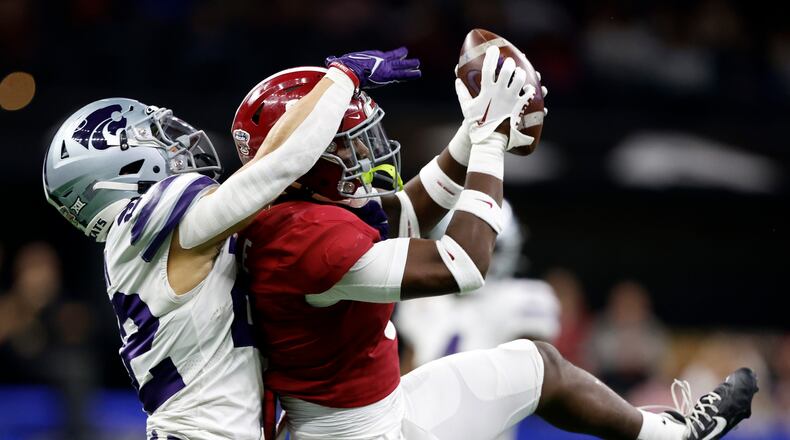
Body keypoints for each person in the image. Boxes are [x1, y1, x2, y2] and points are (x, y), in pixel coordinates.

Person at [235, 46, 757, 440]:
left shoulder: (294, 218)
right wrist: (489, 138)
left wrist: (469, 127)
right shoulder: (307, 241)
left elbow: (413, 211)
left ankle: (673, 434)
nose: (364, 152)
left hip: (365, 413)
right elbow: (463, 264)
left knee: (541, 365)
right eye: (347, 143)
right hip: (360, 432)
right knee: (537, 365)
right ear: (304, 159)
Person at [42, 47, 420, 439]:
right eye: (152, 136)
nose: (175, 142)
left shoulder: (161, 240)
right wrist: (341, 78)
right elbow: (277, 165)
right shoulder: (145, 217)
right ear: (119, 168)